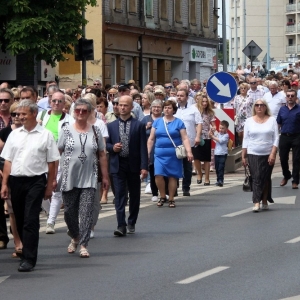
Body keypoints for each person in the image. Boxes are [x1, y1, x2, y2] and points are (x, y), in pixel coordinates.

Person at [0, 100, 60, 271]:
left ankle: (29, 258)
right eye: (18, 114)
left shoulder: (45, 135)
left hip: (36, 181)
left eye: (23, 114)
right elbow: (8, 161)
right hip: (16, 181)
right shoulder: (14, 134)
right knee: (19, 219)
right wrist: (4, 184)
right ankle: (25, 248)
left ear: (34, 114)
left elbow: (52, 162)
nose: (19, 117)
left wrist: (49, 185)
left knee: (31, 219)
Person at [58, 98, 109, 258]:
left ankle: (84, 245)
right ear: (73, 112)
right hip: (69, 177)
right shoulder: (65, 130)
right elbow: (57, 152)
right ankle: (75, 236)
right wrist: (53, 176)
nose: (80, 113)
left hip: (90, 177)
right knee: (69, 213)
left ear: (89, 113)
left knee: (86, 213)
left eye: (84, 111)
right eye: (78, 110)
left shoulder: (96, 131)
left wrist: (105, 176)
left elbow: (101, 154)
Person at [106, 95, 148, 236]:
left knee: (134, 194)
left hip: (133, 164)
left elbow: (143, 147)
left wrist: (144, 166)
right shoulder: (111, 126)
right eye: (120, 105)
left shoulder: (138, 125)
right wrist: (113, 148)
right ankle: (121, 225)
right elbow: (106, 145)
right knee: (119, 195)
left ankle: (132, 221)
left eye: (125, 105)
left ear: (131, 107)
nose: (122, 107)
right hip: (118, 164)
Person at [37, 91, 75, 234]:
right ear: (49, 102)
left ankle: (51, 221)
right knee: (40, 188)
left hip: (61, 157)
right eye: (54, 101)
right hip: (42, 157)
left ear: (64, 103)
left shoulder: (70, 120)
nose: (57, 104)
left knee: (56, 191)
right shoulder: (42, 116)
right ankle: (50, 211)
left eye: (60, 101)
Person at [147, 100, 193, 207]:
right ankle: (162, 196)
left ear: (174, 110)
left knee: (172, 176)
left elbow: (185, 138)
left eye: (169, 108)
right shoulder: (157, 122)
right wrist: (148, 152)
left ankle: (171, 198)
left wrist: (189, 152)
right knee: (158, 175)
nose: (167, 110)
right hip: (159, 154)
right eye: (165, 107)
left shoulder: (179, 122)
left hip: (174, 154)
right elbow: (151, 139)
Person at [242, 99, 279, 212]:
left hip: (268, 153)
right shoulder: (249, 121)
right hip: (253, 152)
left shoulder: (272, 120)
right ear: (254, 107)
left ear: (265, 107)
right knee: (257, 177)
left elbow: (276, 137)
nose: (259, 107)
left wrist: (273, 153)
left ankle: (264, 200)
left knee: (266, 178)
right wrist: (244, 156)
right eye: (257, 105)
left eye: (261, 105)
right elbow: (246, 138)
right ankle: (256, 202)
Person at [0, 102, 23, 257]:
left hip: (27, 175)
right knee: (13, 211)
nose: (16, 117)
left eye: (19, 114)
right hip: (8, 175)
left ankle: (25, 241)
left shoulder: (35, 133)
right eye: (13, 114)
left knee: (26, 213)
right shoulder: (5, 133)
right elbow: (2, 157)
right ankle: (18, 243)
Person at [175, 89, 202, 195]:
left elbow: (199, 123)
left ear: (187, 97)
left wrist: (198, 137)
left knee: (187, 166)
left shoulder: (193, 109)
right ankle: (174, 188)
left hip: (189, 142)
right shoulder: (173, 109)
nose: (179, 97)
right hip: (175, 142)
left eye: (181, 96)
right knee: (175, 165)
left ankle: (186, 187)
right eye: (177, 95)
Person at [277, 89, 300, 189]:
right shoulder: (282, 109)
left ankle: (295, 180)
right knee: (282, 158)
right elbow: (278, 123)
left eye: (292, 96)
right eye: (288, 96)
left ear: (296, 98)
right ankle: (286, 175)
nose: (290, 97)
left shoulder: (299, 109)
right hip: (284, 136)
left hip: (297, 136)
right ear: (286, 97)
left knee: (296, 159)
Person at [141, 100, 163, 202]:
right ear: (151, 108)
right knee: (153, 170)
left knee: (163, 171)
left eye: (158, 107)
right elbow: (138, 133)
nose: (156, 109)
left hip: (162, 148)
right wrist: (146, 127)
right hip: (149, 148)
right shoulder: (146, 119)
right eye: (154, 107)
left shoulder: (164, 119)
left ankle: (166, 192)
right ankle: (155, 193)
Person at [194, 95, 215, 185]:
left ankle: (207, 178)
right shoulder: (195, 112)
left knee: (206, 159)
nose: (205, 103)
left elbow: (213, 124)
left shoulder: (210, 112)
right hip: (195, 136)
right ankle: (199, 173)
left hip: (206, 136)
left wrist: (213, 129)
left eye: (206, 102)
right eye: (203, 101)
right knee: (196, 158)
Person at [209, 120, 229, 187]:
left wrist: (213, 137)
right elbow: (211, 135)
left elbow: (220, 141)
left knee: (221, 167)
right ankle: (218, 180)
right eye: (220, 128)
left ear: (226, 129)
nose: (221, 130)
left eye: (223, 128)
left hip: (223, 153)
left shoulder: (226, 135)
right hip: (217, 153)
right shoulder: (218, 134)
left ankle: (221, 180)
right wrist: (211, 131)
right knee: (217, 168)